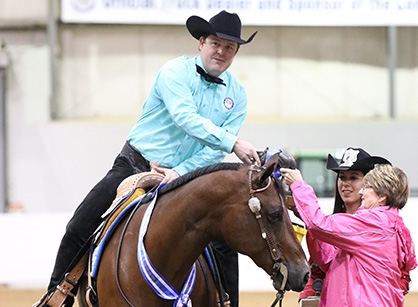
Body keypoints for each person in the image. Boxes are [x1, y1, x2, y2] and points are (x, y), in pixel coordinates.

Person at [33, 10, 260, 307]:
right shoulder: (174, 72)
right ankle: (57, 295)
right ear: (201, 42)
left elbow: (213, 152)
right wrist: (234, 143)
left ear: (236, 52)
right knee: (81, 223)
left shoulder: (238, 95)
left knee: (223, 241)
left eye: (229, 47)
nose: (222, 51)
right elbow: (184, 118)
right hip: (135, 166)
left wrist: (179, 171)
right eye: (216, 43)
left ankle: (227, 302)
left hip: (187, 178)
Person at [281, 163, 417, 307]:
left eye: (367, 187)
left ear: (382, 196)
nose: (361, 193)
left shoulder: (372, 224)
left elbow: (319, 224)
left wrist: (298, 184)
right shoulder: (390, 225)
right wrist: (305, 215)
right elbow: (330, 260)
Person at [298, 147, 393, 301]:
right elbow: (316, 272)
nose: (346, 183)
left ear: (368, 183)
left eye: (353, 178)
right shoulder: (329, 224)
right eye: (342, 177)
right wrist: (307, 296)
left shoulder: (377, 225)